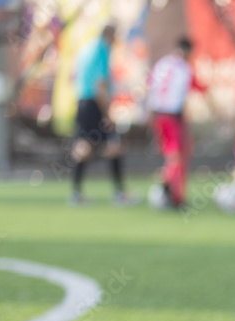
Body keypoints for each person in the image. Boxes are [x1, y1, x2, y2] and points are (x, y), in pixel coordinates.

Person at [69, 23, 136, 206]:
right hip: (93, 104)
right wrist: (105, 112)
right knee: (113, 145)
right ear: (110, 35)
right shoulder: (101, 50)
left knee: (84, 146)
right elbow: (100, 84)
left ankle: (76, 193)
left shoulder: (87, 48)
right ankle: (119, 192)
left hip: (82, 102)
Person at [146, 37, 206, 209]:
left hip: (158, 115)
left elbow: (150, 87)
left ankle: (168, 188)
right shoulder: (184, 68)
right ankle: (174, 195)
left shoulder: (161, 64)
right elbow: (194, 89)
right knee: (178, 157)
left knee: (172, 156)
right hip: (172, 116)